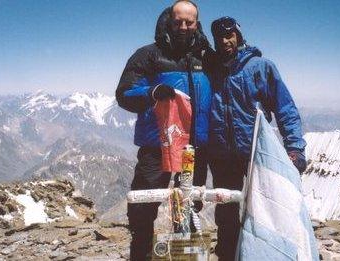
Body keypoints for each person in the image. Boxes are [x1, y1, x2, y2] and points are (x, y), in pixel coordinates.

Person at [115, 1, 211, 259]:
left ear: (196, 24)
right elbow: (124, 94)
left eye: (189, 22)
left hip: (194, 149)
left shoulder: (205, 56)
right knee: (143, 207)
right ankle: (142, 255)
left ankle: (184, 256)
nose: (183, 26)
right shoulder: (148, 55)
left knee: (190, 206)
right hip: (157, 146)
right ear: (169, 21)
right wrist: (151, 92)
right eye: (178, 21)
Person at [206, 16, 307, 260]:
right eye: (219, 36)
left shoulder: (261, 67)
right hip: (221, 156)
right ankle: (229, 256)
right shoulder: (210, 67)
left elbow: (285, 109)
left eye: (229, 35)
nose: (225, 40)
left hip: (256, 152)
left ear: (238, 36)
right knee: (226, 213)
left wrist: (294, 148)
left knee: (263, 211)